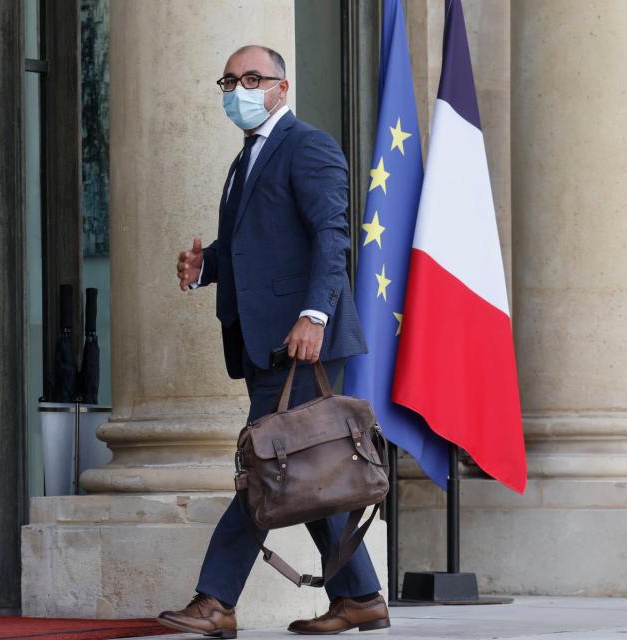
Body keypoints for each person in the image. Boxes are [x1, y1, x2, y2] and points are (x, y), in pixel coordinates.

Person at [158, 45, 389, 638]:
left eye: (253, 78)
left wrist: (315, 314)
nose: (240, 89)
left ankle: (216, 601)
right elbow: (247, 244)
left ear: (281, 88)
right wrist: (204, 266)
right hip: (265, 341)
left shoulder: (307, 146)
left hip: (302, 339)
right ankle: (360, 596)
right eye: (230, 80)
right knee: (305, 469)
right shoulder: (246, 158)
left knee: (267, 465)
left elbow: (330, 235)